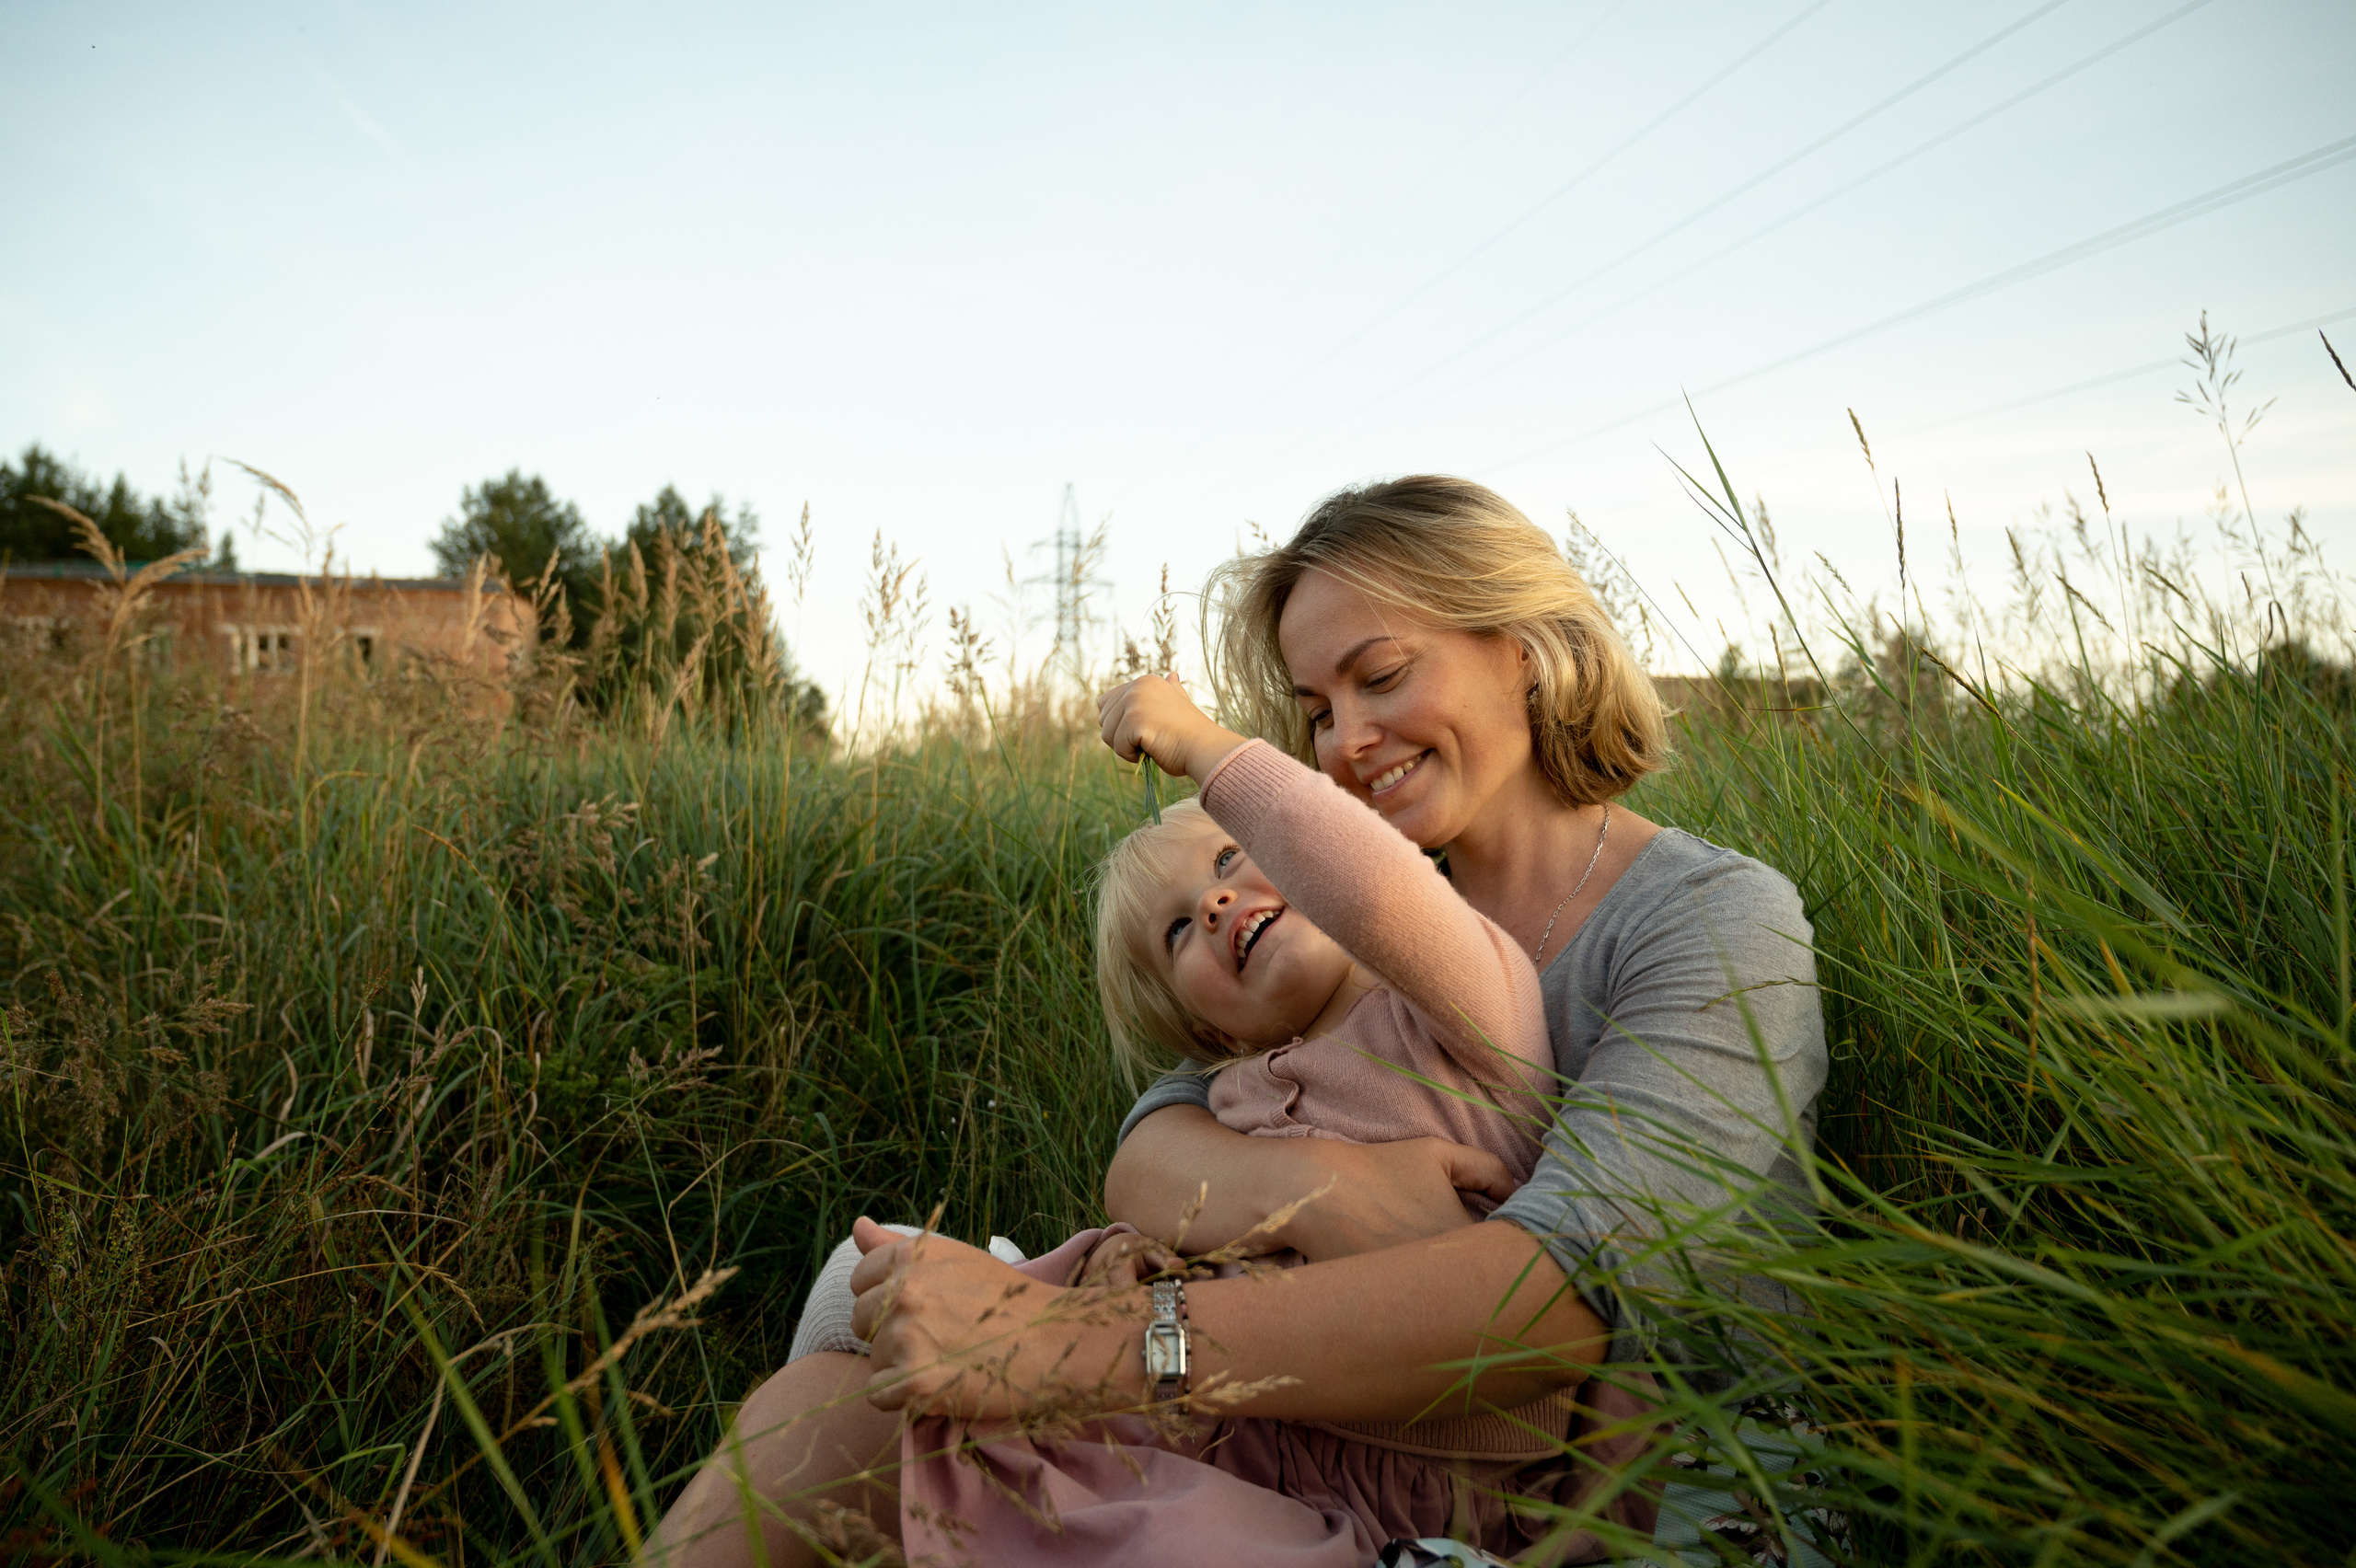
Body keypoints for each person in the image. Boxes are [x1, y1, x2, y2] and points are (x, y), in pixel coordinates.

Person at [646, 475, 1827, 1567]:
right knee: (820, 1400)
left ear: (1518, 649)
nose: (1346, 741)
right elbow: (1156, 1140)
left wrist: (1060, 1349)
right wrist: (1321, 1191)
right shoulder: (1329, 955)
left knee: (897, 1399)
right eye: (1314, 710)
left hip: (1633, 1497)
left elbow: (1553, 1308)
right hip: (1287, 1431)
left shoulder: (1699, 921)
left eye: (1380, 676)